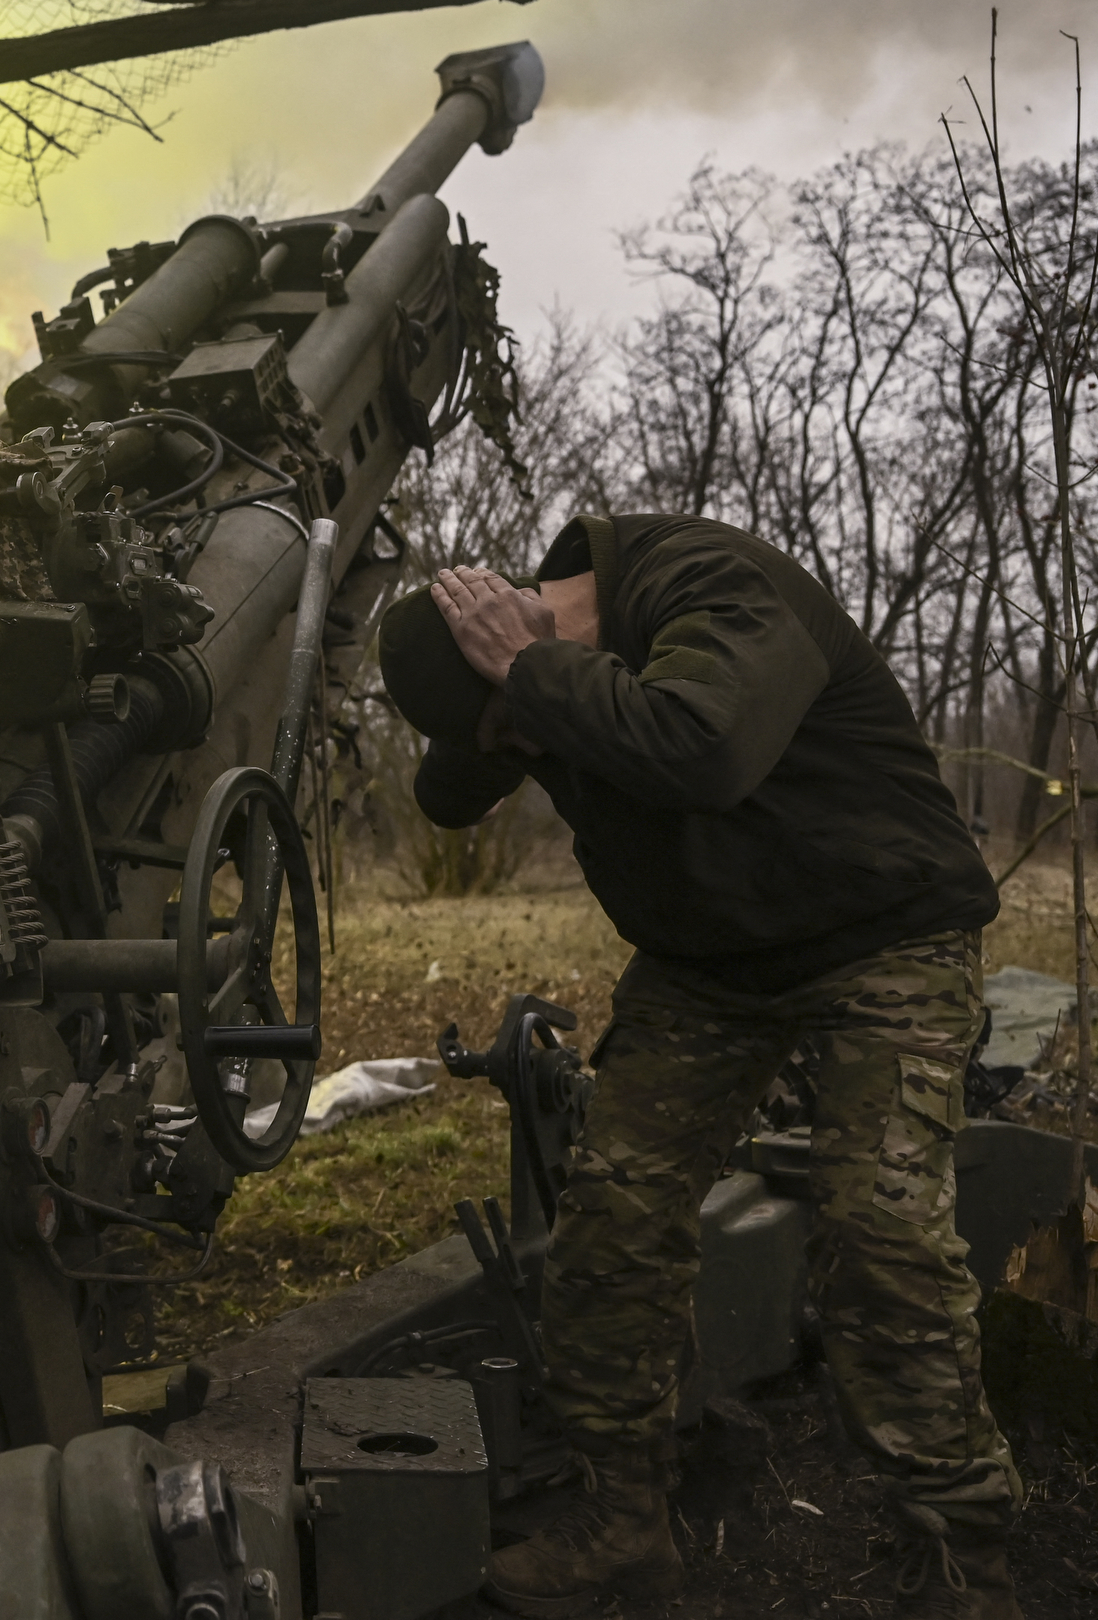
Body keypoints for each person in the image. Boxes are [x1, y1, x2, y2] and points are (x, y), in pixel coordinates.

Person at [378, 513, 1020, 1620]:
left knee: (879, 1230)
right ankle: (621, 1523)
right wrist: (495, 690)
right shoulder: (528, 678)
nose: (527, 752)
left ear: (536, 631)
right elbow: (447, 793)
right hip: (711, 963)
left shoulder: (707, 586)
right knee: (611, 1213)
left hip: (884, 928)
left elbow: (704, 746)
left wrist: (528, 672)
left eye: (520, 723)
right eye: (511, 731)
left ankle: (959, 1560)